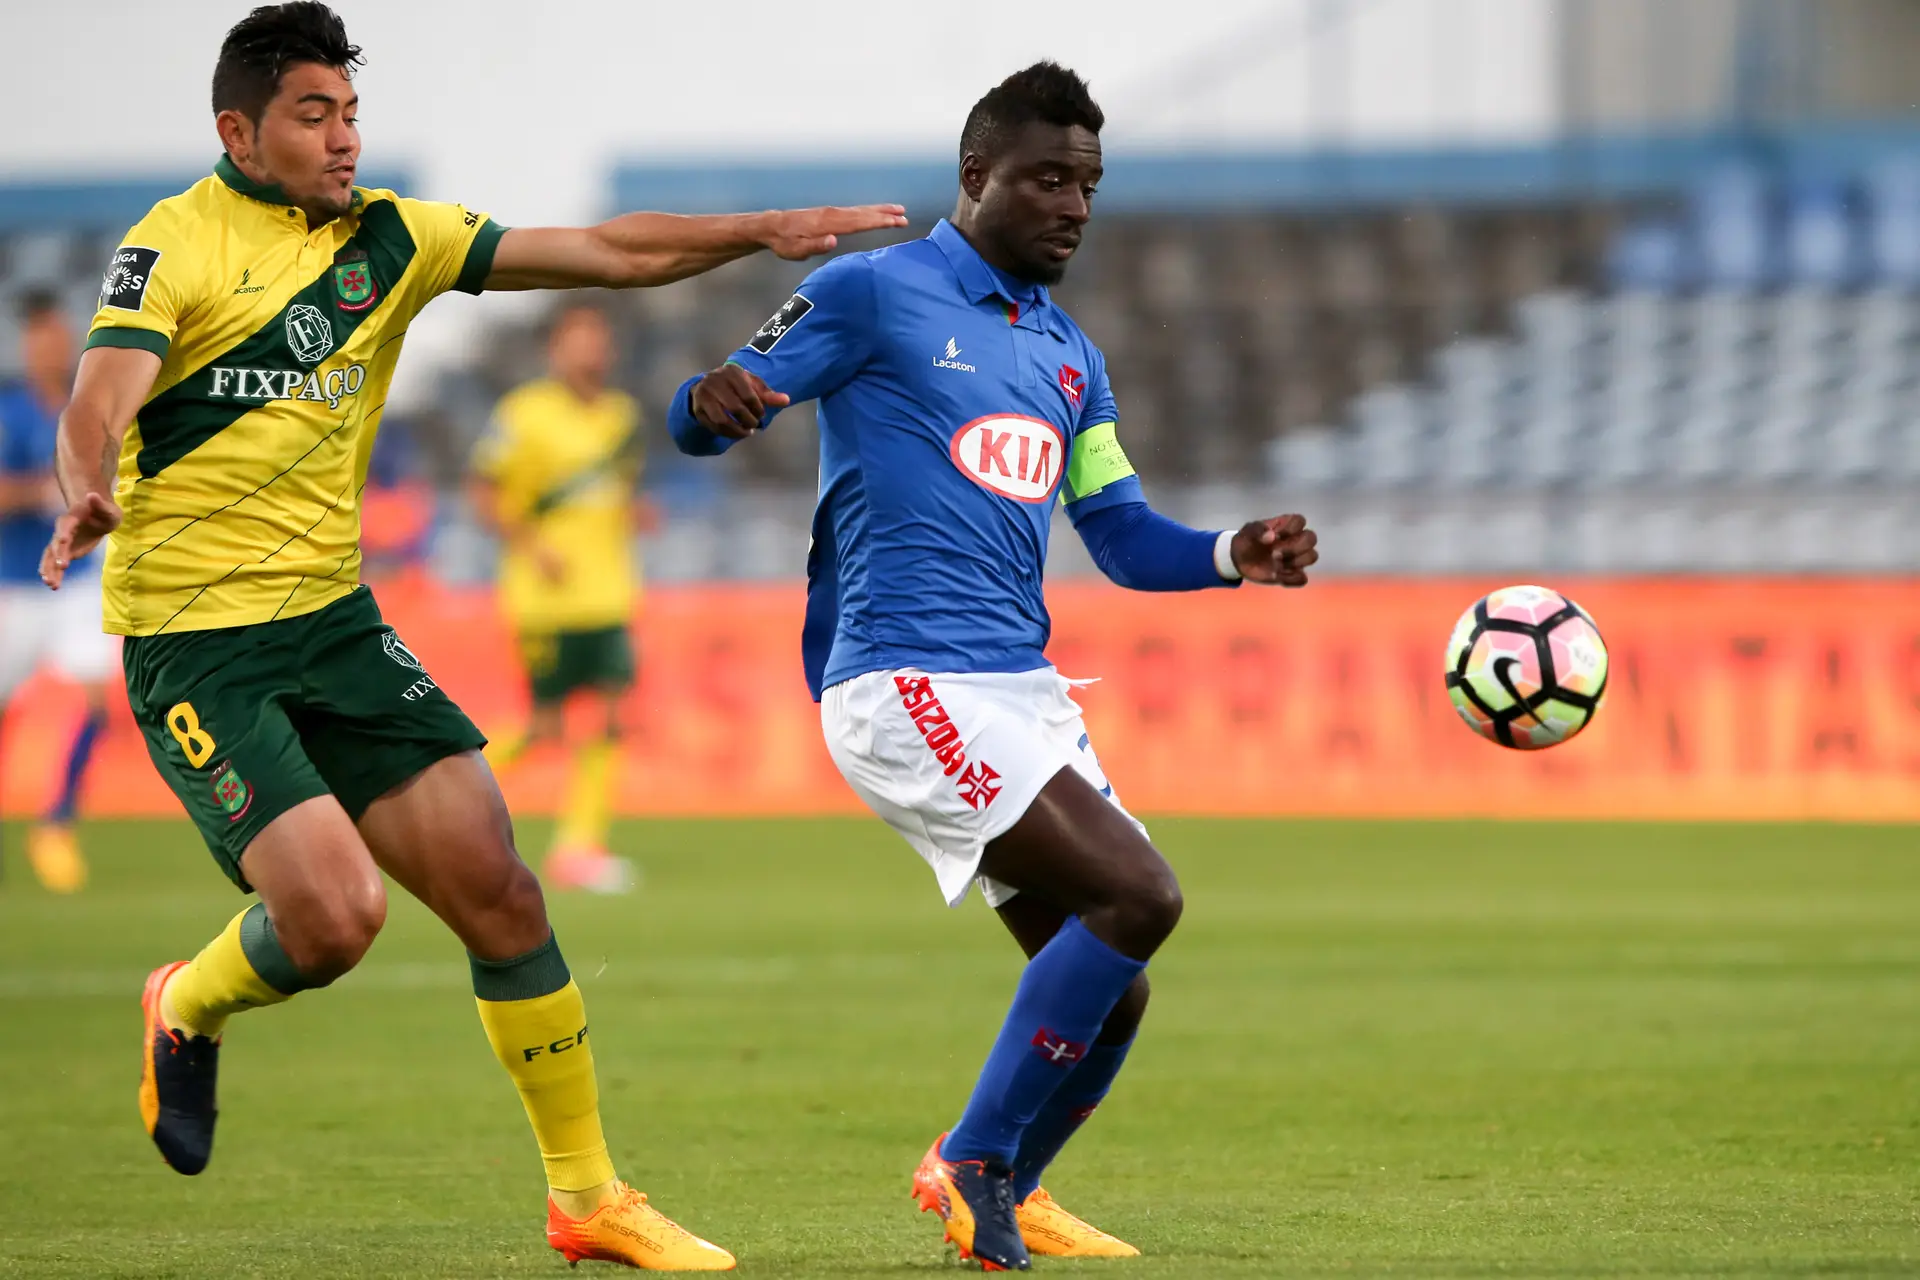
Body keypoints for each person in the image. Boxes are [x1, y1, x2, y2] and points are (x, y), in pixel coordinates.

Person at [38, 4, 904, 1271]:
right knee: (336, 921)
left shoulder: (396, 238)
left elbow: (605, 248)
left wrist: (752, 233)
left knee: (502, 888)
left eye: (349, 113)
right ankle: (186, 1001)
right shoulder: (171, 246)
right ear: (239, 129)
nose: (342, 139)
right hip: (198, 643)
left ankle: (588, 1197)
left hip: (334, 623)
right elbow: (97, 395)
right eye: (311, 116)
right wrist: (86, 480)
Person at [667, 62, 1317, 1271]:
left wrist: (1236, 552)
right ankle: (974, 1161)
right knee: (1143, 896)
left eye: (1090, 184)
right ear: (977, 178)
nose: (1075, 205)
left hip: (1020, 691)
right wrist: (714, 403)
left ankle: (1002, 1176)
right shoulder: (871, 291)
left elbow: (1118, 536)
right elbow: (701, 411)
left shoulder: (1073, 355)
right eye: (1050, 179)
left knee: (1115, 986)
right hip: (902, 680)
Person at [471, 303, 651, 895]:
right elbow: (483, 494)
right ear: (556, 349)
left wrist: (636, 515)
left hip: (610, 594)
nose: (592, 351)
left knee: (609, 717)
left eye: (599, 339)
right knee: (544, 727)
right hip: (545, 599)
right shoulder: (523, 414)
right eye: (579, 340)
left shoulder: (622, 418)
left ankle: (580, 848)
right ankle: (436, 795)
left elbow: (615, 495)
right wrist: (533, 544)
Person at [0, 291, 117, 893]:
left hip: (75, 581)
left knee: (97, 703)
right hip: (16, 583)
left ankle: (57, 824)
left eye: (60, 337)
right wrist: (47, 490)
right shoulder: (10, 411)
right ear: (28, 345)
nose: (53, 347)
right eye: (42, 338)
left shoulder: (86, 411)